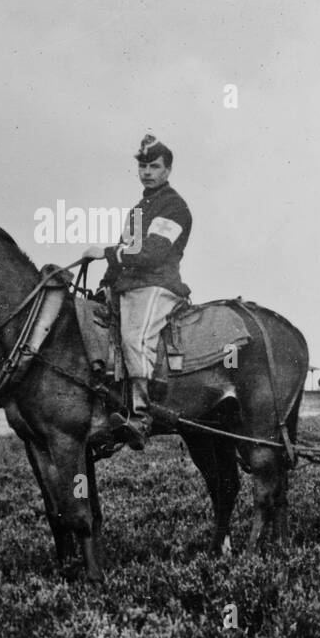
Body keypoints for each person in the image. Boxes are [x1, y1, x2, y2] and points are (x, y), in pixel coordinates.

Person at [83, 134, 193, 450]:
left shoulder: (174, 207)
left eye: (154, 166)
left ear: (167, 170)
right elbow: (124, 254)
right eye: (143, 166)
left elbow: (154, 254)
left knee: (134, 337)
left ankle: (141, 417)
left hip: (158, 285)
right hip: (128, 287)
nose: (147, 172)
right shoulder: (138, 211)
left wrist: (106, 252)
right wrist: (105, 284)